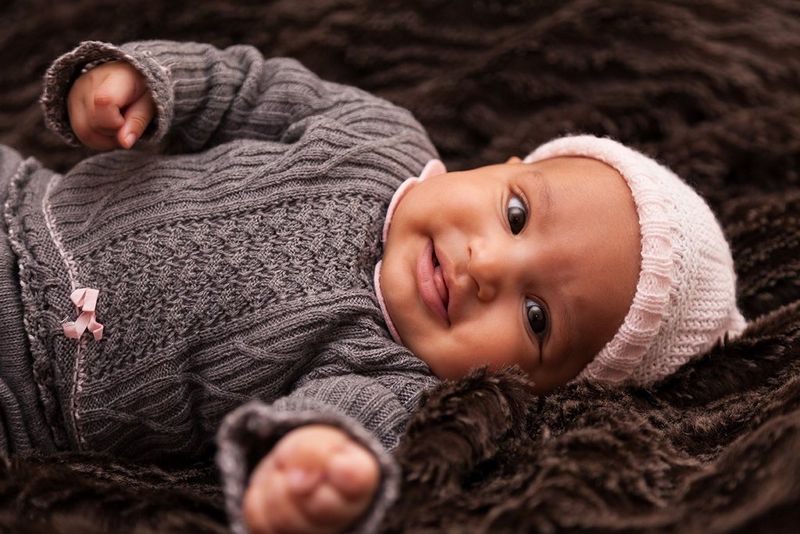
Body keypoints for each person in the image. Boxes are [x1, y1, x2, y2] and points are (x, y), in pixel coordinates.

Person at [0, 39, 745, 533]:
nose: (488, 267)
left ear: (536, 386)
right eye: (515, 215)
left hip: (25, 404)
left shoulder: (398, 379)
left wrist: (318, 464)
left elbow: (339, 423)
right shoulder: (375, 134)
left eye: (538, 317)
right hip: (22, 201)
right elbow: (241, 87)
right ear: (503, 164)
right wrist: (142, 85)